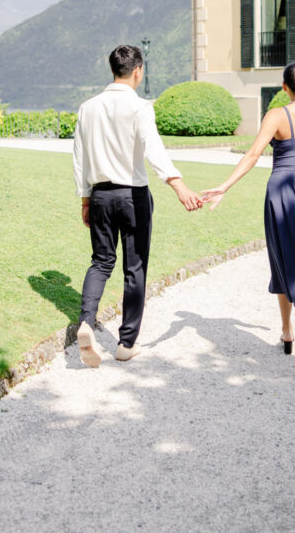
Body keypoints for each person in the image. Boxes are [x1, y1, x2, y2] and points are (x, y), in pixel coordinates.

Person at [202, 60, 295, 381]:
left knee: (282, 258)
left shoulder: (276, 115)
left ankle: (286, 331)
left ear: (284, 87)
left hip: (281, 191)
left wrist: (223, 187)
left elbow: (253, 155)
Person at [73, 45, 203, 368]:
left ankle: (86, 323)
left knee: (101, 262)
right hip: (133, 197)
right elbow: (153, 149)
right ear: (138, 71)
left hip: (100, 195)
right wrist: (178, 184)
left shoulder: (88, 107)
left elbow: (80, 157)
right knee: (135, 268)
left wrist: (86, 198)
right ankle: (126, 343)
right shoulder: (140, 107)